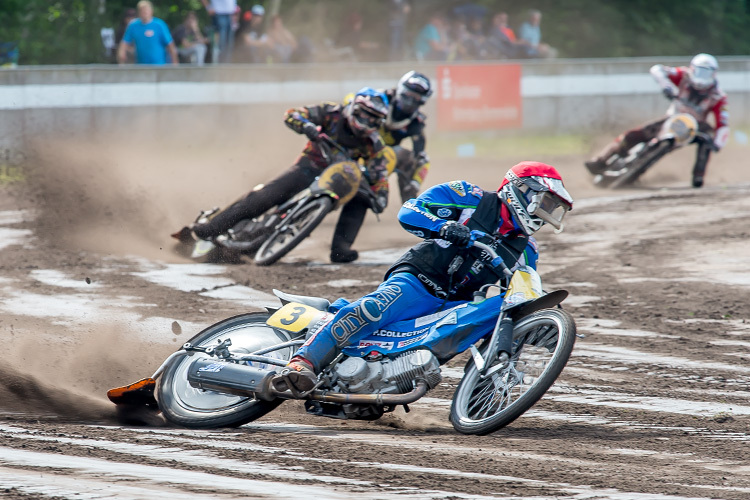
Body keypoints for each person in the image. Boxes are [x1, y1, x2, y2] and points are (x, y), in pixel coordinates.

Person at [273, 162, 574, 393]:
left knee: (488, 323)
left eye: (554, 210)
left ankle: (482, 390)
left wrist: (545, 323)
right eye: (546, 204)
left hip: (454, 306)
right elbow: (411, 210)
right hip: (420, 278)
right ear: (522, 189)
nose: (547, 214)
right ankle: (304, 361)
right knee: (374, 308)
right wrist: (444, 227)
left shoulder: (528, 250)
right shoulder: (470, 196)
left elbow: (521, 290)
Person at [175, 88, 392, 264]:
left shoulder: (374, 143)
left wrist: (381, 194)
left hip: (337, 183)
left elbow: (380, 172)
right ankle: (204, 231)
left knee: (363, 199)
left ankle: (341, 249)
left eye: (373, 120)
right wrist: (306, 126)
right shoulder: (330, 112)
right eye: (364, 114)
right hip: (308, 168)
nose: (367, 122)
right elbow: (292, 114)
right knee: (263, 197)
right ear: (354, 107)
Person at [331, 71, 434, 265]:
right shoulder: (377, 96)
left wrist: (413, 182)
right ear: (398, 91)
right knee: (308, 169)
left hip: (376, 161)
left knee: (364, 194)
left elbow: (421, 156)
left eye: (416, 101)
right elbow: (348, 102)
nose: (409, 104)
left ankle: (340, 248)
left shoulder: (416, 123)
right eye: (407, 97)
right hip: (346, 146)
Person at [585, 54, 729, 188]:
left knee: (707, 140)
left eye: (706, 73)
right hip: (672, 119)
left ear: (714, 74)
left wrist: (717, 144)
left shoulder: (718, 96)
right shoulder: (683, 75)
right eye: (699, 72)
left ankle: (698, 175)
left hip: (695, 128)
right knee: (633, 135)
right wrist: (666, 86)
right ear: (692, 69)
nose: (702, 77)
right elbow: (657, 69)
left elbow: (723, 124)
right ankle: (601, 160)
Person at [117, 1, 178, 65]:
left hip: (159, 65)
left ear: (151, 11)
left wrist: (175, 61)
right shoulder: (133, 26)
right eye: (142, 11)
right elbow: (124, 42)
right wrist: (121, 52)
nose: (144, 13)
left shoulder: (159, 25)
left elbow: (170, 44)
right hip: (141, 65)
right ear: (139, 12)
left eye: (146, 10)